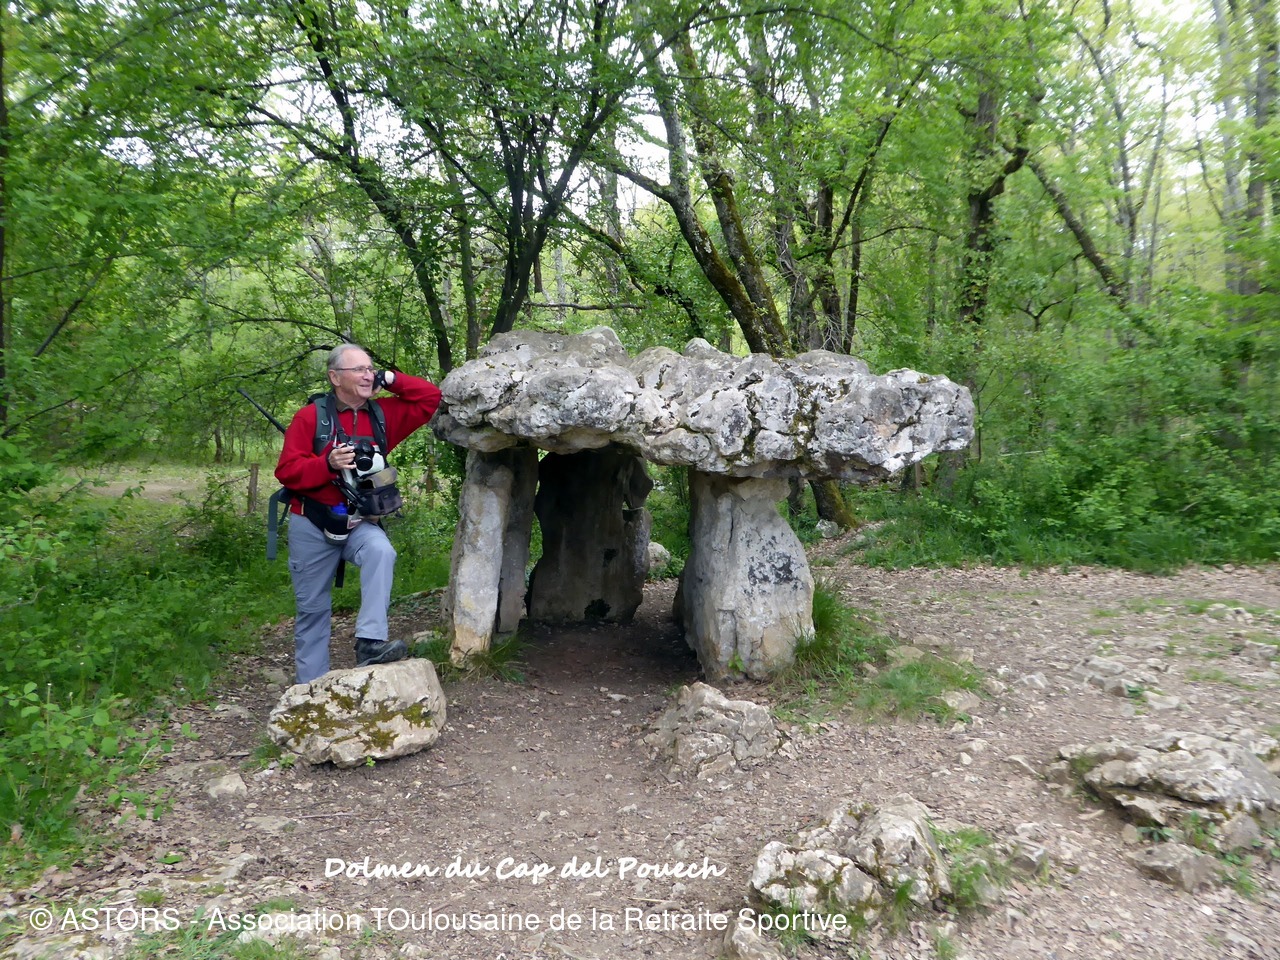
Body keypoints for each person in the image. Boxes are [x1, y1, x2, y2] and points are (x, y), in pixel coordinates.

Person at [275, 344, 441, 683]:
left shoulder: (382, 415)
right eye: (359, 370)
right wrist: (327, 463)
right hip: (312, 521)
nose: (368, 375)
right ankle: (311, 691)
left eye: (370, 369)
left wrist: (390, 378)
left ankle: (370, 642)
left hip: (357, 520)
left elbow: (430, 398)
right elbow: (287, 471)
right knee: (313, 611)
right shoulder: (311, 418)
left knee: (382, 551)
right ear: (335, 378)